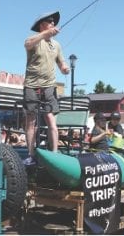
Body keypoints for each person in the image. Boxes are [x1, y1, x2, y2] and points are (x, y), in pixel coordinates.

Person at [23, 11, 70, 165]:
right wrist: (45, 34)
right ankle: (30, 154)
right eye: (50, 22)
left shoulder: (56, 45)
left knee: (50, 119)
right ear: (42, 25)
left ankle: (54, 154)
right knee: (31, 120)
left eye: (53, 22)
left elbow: (61, 63)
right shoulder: (34, 40)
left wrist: (64, 68)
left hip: (49, 86)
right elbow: (27, 44)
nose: (53, 24)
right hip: (31, 85)